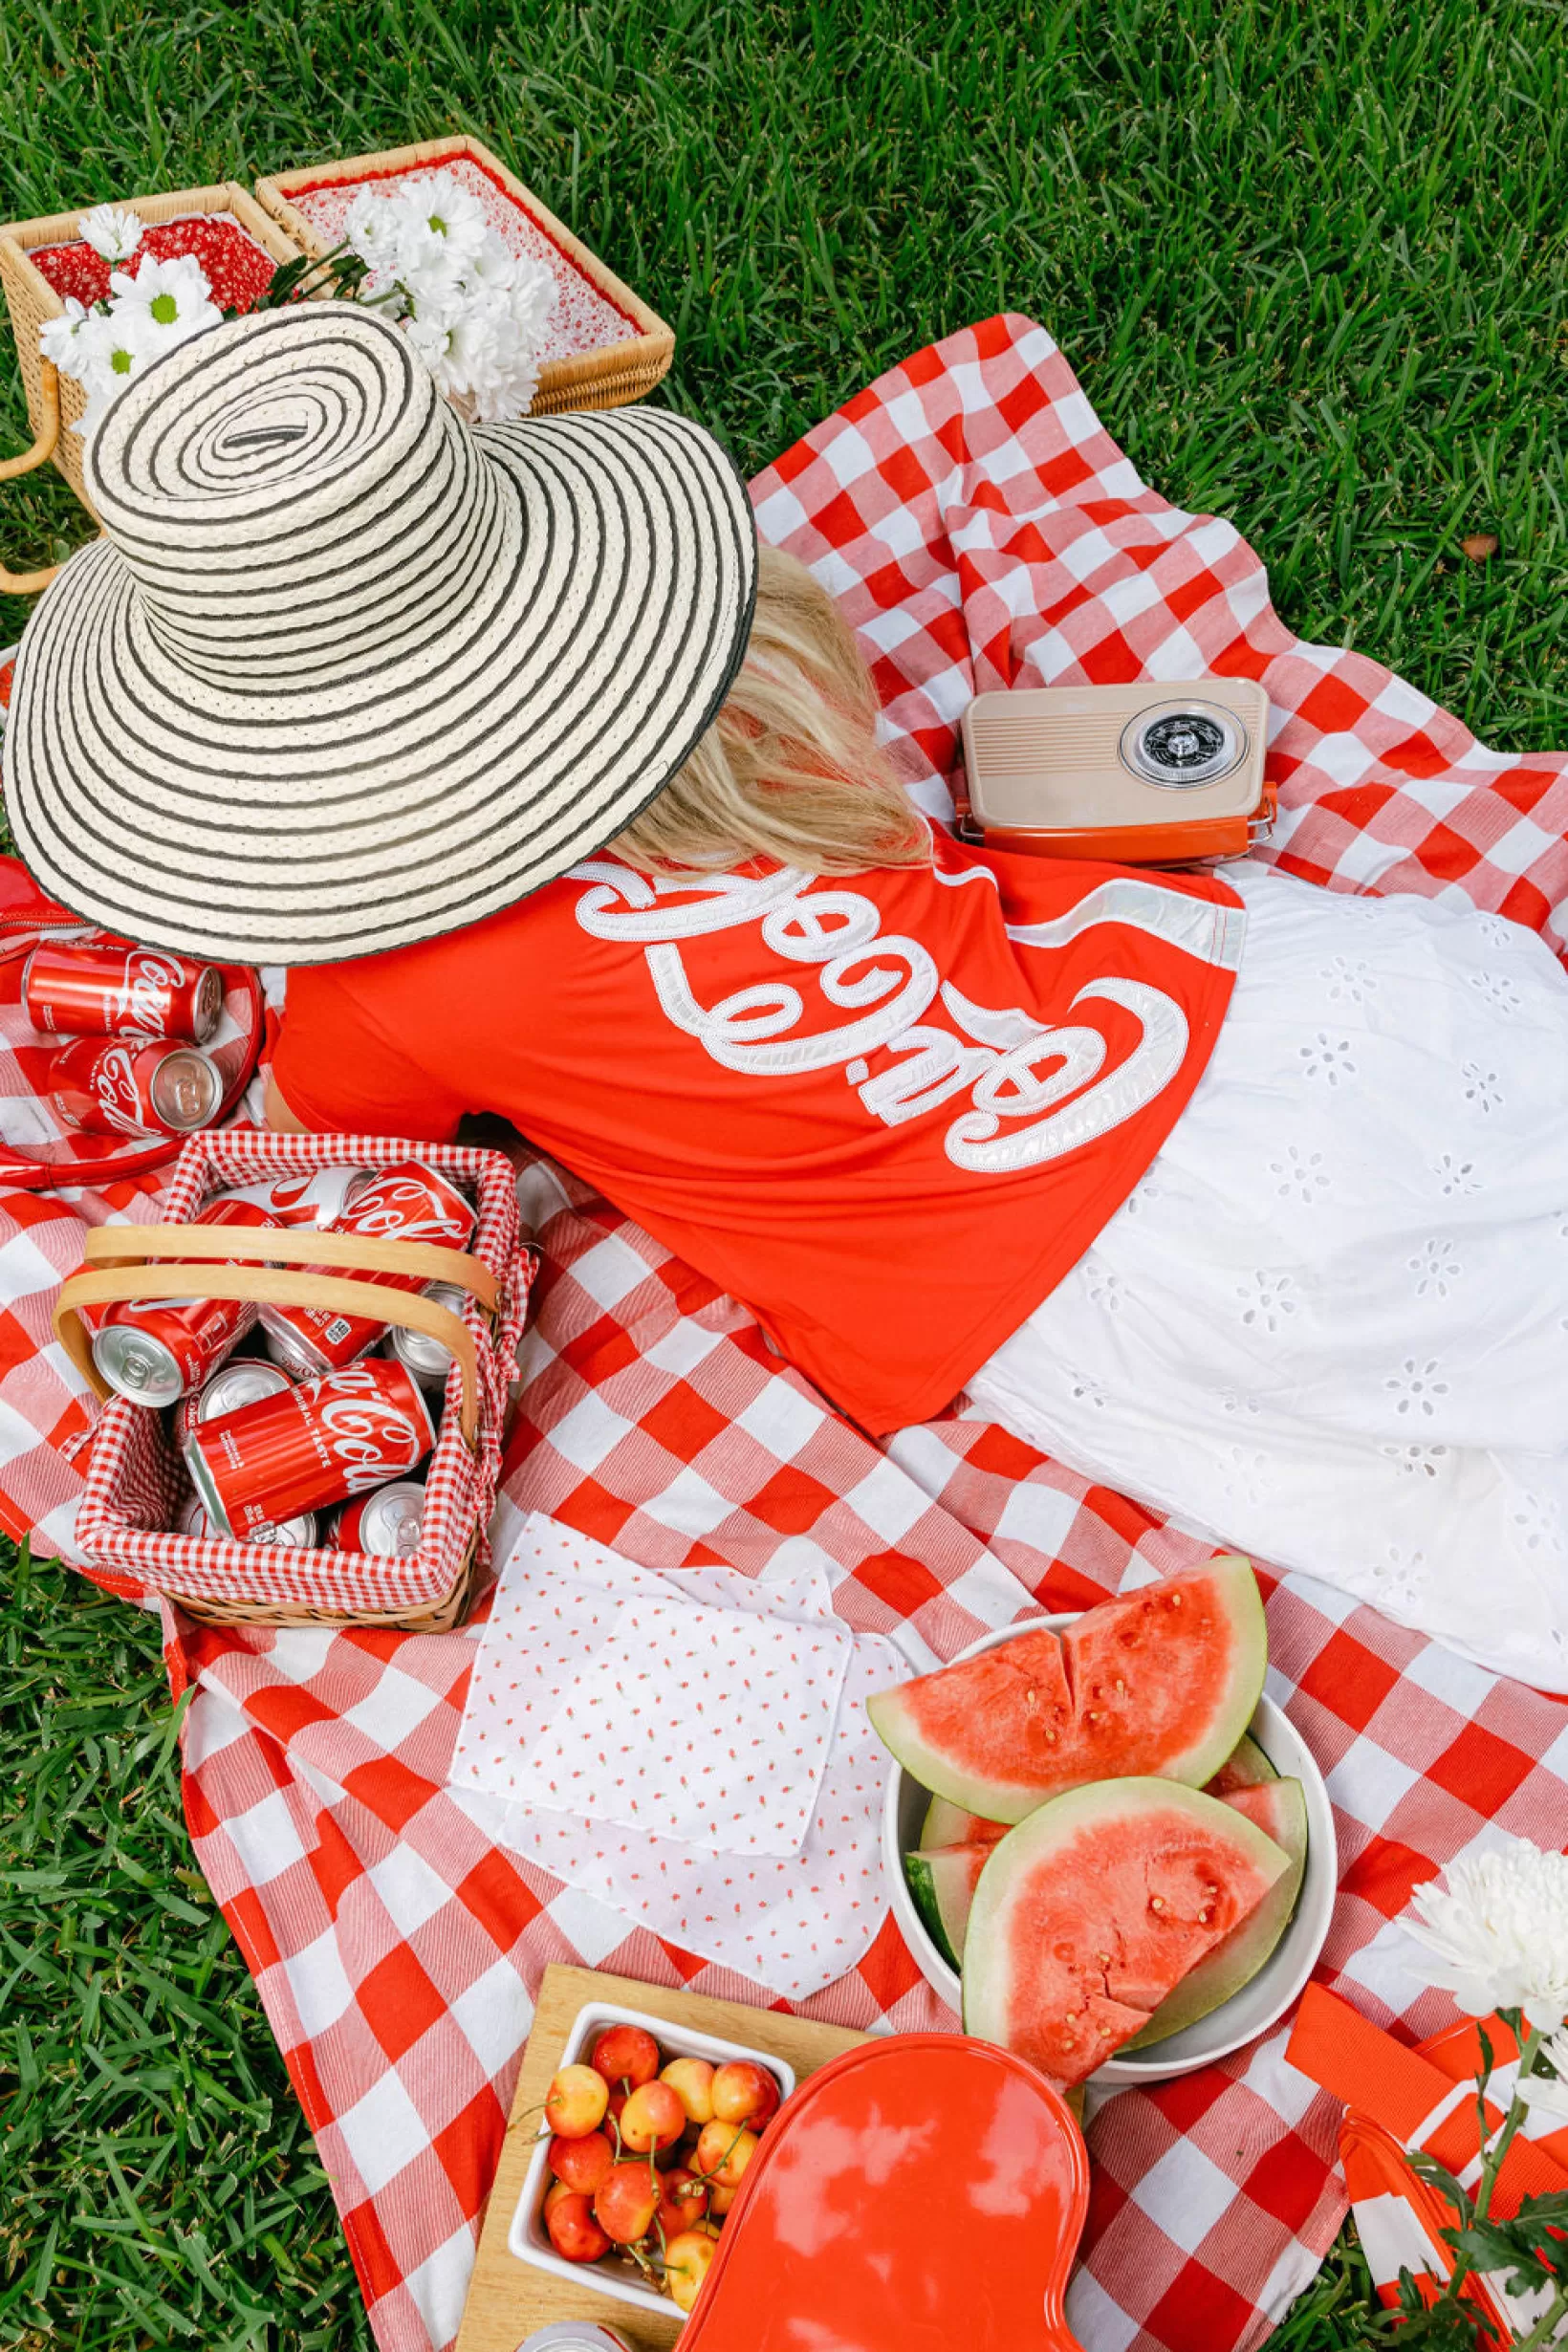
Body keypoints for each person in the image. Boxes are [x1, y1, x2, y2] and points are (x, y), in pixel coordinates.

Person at [10, 305, 1568, 1688]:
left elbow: (287, 1149)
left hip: (1097, 1270)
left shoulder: (380, 999)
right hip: (1260, 1023)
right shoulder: (765, 655)